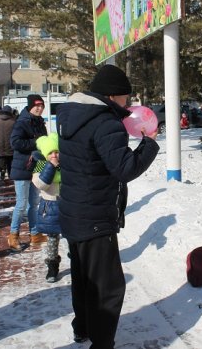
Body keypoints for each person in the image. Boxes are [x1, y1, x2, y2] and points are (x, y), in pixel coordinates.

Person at [56, 64, 159, 348]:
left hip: (74, 211)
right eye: (126, 97)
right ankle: (102, 343)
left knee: (84, 277)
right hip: (94, 217)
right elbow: (125, 168)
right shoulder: (104, 122)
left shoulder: (70, 114)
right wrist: (148, 145)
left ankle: (83, 328)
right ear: (113, 96)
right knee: (108, 287)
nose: (128, 103)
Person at [8, 94, 48, 252]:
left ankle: (35, 234)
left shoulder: (39, 122)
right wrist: (36, 142)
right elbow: (15, 142)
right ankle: (13, 236)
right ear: (30, 106)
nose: (39, 108)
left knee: (34, 203)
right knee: (21, 204)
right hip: (22, 167)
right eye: (36, 105)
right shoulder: (22, 122)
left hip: (37, 166)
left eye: (41, 105)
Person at [31, 133, 62, 283]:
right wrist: (51, 166)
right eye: (50, 153)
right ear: (45, 154)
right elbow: (41, 184)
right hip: (50, 206)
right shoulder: (40, 166)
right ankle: (52, 266)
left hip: (68, 205)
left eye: (56, 152)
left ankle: (78, 263)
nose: (54, 155)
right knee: (52, 238)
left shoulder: (66, 165)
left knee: (74, 238)